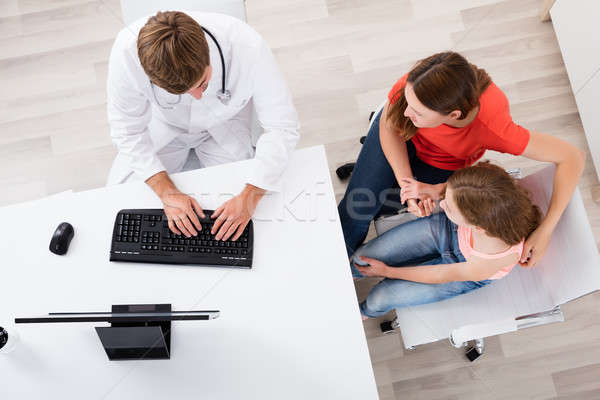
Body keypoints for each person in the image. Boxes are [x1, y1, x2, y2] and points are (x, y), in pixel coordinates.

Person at [338, 52, 585, 268]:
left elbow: (572, 157)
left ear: (453, 115)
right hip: (400, 136)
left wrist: (545, 229)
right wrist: (406, 182)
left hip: (440, 163)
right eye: (409, 102)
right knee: (358, 207)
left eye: (418, 111)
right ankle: (333, 264)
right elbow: (391, 121)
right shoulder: (423, 81)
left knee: (383, 206)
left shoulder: (494, 128)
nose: (406, 111)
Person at [106, 11, 299, 240]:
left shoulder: (248, 47)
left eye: (203, 85)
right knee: (123, 206)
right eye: (182, 92)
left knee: (247, 217)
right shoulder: (126, 53)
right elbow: (126, 131)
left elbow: (283, 127)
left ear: (207, 52)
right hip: (163, 127)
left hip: (225, 124)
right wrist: (167, 193)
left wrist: (250, 196)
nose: (196, 97)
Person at [351, 162, 542, 319]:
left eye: (448, 207)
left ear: (478, 227)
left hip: (460, 269)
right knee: (362, 258)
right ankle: (350, 275)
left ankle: (363, 313)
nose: (441, 205)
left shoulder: (495, 260)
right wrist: (431, 193)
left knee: (380, 297)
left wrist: (388, 271)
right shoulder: (486, 185)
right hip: (451, 230)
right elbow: (451, 190)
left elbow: (440, 274)